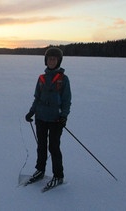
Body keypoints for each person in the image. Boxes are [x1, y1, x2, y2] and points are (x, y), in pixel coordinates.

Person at [25, 47, 72, 188]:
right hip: (40, 118)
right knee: (41, 146)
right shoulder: (41, 78)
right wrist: (31, 112)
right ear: (46, 61)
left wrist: (64, 116)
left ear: (58, 61)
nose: (51, 61)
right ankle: (40, 170)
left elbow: (66, 100)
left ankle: (58, 175)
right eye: (49, 59)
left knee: (54, 147)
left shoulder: (63, 79)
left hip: (56, 120)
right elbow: (37, 98)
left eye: (54, 59)